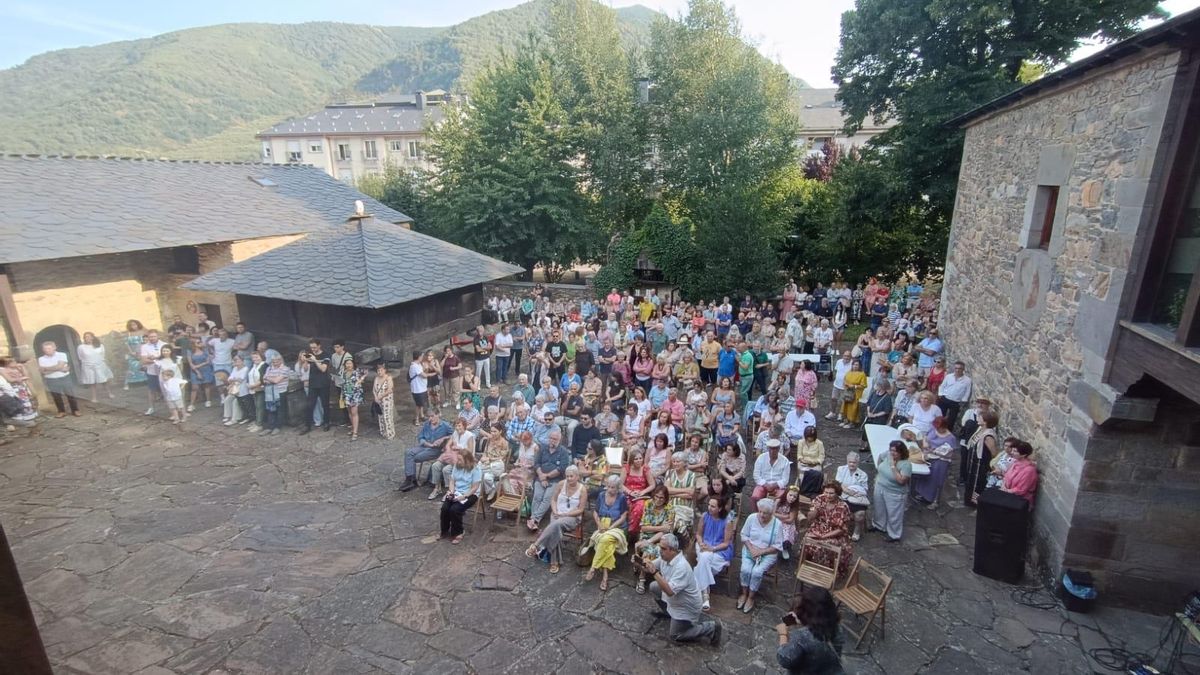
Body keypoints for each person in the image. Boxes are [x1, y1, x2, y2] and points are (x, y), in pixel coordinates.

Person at [635, 533, 723, 646]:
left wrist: (655, 572)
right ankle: (670, 613)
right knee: (654, 587)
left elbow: (670, 592)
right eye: (659, 547)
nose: (659, 550)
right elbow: (650, 567)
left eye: (663, 548)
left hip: (686, 607)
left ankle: (711, 628)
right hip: (677, 599)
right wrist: (639, 563)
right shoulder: (665, 558)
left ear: (672, 550)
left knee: (675, 635)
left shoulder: (682, 567)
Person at [526, 465, 588, 574]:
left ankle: (536, 545)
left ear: (577, 476)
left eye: (571, 476)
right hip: (556, 513)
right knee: (556, 529)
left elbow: (581, 509)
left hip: (572, 517)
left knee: (556, 525)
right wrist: (554, 511)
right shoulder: (561, 484)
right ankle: (554, 562)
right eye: (567, 476)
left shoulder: (582, 490)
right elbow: (553, 500)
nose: (569, 478)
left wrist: (565, 514)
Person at [775, 587, 846, 675]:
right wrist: (804, 621)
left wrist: (783, 634)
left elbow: (784, 659)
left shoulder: (802, 637)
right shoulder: (838, 627)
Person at [738, 498, 783, 614]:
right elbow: (744, 535)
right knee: (745, 570)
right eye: (760, 511)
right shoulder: (752, 518)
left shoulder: (777, 524)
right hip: (750, 549)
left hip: (767, 553)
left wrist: (761, 552)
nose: (762, 515)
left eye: (766, 513)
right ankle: (744, 593)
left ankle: (751, 597)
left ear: (771, 513)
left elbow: (777, 546)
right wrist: (752, 550)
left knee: (756, 572)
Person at [585, 474, 628, 591]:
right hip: (602, 525)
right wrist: (599, 525)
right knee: (606, 544)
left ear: (618, 487)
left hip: (617, 527)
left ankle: (593, 568)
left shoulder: (622, 497)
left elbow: (623, 517)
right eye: (608, 486)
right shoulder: (601, 495)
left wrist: (610, 527)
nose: (610, 489)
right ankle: (605, 576)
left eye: (613, 487)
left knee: (603, 540)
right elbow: (595, 512)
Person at [802, 482, 853, 577]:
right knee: (807, 539)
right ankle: (806, 565)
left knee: (822, 546)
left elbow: (841, 529)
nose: (828, 495)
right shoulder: (819, 499)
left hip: (835, 534)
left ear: (837, 493)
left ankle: (823, 572)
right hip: (819, 528)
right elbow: (810, 517)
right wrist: (813, 511)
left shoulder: (842, 506)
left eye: (831, 493)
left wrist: (823, 536)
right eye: (826, 492)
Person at [693, 496, 735, 610]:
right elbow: (698, 534)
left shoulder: (727, 522)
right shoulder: (705, 516)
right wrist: (701, 543)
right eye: (709, 505)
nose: (709, 508)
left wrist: (712, 549)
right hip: (704, 545)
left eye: (713, 506)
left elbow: (726, 543)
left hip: (720, 550)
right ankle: (705, 596)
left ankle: (701, 593)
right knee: (705, 558)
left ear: (720, 508)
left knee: (703, 559)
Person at [633, 485, 674, 594]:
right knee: (648, 549)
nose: (658, 500)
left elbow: (667, 531)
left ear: (665, 499)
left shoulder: (669, 509)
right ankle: (642, 577)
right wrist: (661, 527)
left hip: (660, 538)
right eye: (656, 496)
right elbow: (643, 527)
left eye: (661, 498)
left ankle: (642, 577)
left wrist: (650, 541)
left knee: (649, 549)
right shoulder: (648, 504)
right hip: (646, 534)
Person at [527, 429, 571, 530]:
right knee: (537, 496)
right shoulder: (543, 448)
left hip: (555, 480)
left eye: (555, 439)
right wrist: (542, 477)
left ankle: (534, 519)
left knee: (547, 498)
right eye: (551, 438)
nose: (552, 441)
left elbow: (561, 468)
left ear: (559, 440)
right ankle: (534, 520)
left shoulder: (563, 452)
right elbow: (536, 463)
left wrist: (546, 476)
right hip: (540, 478)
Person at [398, 412, 453, 491]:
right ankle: (410, 479)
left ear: (438, 415)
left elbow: (454, 435)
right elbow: (420, 437)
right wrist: (426, 443)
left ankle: (413, 480)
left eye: (432, 416)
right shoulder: (427, 424)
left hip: (436, 450)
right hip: (425, 446)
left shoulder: (445, 426)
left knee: (414, 458)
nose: (430, 419)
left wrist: (443, 438)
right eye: (429, 417)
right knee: (408, 452)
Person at [871, 440, 912, 542]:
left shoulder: (906, 465)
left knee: (894, 514)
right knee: (879, 508)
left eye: (895, 451)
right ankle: (879, 525)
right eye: (891, 450)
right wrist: (879, 473)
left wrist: (893, 466)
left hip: (894, 492)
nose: (892, 453)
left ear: (901, 452)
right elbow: (880, 458)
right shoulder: (887, 454)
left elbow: (901, 481)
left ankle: (894, 534)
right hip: (880, 486)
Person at [439, 449, 482, 544]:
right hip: (457, 491)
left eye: (460, 460)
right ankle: (444, 531)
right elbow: (452, 481)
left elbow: (475, 488)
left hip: (470, 494)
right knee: (445, 508)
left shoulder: (475, 469)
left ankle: (459, 532)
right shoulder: (457, 466)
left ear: (467, 460)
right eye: (457, 459)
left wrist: (464, 496)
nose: (457, 461)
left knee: (455, 510)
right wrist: (451, 491)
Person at [913, 416, 956, 508]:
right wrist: (925, 443)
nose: (937, 429)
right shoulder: (933, 429)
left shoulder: (950, 438)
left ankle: (934, 501)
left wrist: (933, 451)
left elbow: (947, 453)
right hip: (929, 457)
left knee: (936, 480)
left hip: (940, 461)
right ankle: (923, 494)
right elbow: (926, 437)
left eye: (939, 428)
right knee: (925, 476)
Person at [964, 410, 1000, 507]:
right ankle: (968, 501)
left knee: (978, 484)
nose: (978, 418)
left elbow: (994, 453)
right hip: (974, 463)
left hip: (981, 465)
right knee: (970, 482)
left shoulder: (988, 436)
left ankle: (975, 503)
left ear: (985, 421)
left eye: (980, 417)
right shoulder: (980, 430)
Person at [38, 341, 80, 418]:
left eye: (49, 348)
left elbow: (59, 366)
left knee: (70, 395)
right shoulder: (41, 359)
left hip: (64, 378)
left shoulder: (62, 355)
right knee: (56, 396)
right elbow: (44, 373)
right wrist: (59, 368)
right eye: (45, 349)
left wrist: (47, 368)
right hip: (51, 380)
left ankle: (75, 410)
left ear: (54, 348)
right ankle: (61, 411)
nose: (47, 350)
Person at [834, 452, 870, 541]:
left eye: (854, 462)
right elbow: (838, 484)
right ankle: (839, 530)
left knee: (860, 513)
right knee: (839, 508)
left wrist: (854, 491)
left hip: (856, 499)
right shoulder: (841, 469)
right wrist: (849, 491)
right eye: (850, 462)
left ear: (858, 463)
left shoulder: (863, 474)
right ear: (847, 461)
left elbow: (864, 490)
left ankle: (857, 531)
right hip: (842, 496)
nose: (852, 464)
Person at [299, 339, 332, 435]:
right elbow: (305, 369)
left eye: (314, 347)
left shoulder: (326, 355)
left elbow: (323, 369)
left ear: (319, 346)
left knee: (325, 404)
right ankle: (307, 425)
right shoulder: (310, 354)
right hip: (312, 384)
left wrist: (315, 360)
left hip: (323, 383)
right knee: (309, 405)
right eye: (311, 347)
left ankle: (326, 423)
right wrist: (304, 361)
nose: (312, 349)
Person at [621, 449, 654, 536]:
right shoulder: (626, 468)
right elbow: (620, 484)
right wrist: (629, 492)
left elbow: (652, 485)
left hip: (641, 495)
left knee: (639, 507)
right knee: (624, 504)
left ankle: (632, 531)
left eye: (640, 458)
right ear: (632, 460)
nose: (639, 460)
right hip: (627, 493)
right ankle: (622, 529)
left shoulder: (645, 469)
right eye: (636, 459)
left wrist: (643, 492)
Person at [75, 332, 114, 402]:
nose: (87, 338)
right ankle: (94, 398)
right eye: (86, 337)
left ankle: (109, 393)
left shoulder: (100, 345)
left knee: (104, 380)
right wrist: (87, 363)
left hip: (99, 365)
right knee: (92, 383)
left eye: (89, 336)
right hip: (88, 366)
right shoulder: (81, 347)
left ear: (92, 337)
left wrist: (100, 363)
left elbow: (102, 355)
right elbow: (80, 357)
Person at [936, 361, 972, 430]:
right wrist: (940, 394)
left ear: (963, 369)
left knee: (951, 420)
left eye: (960, 368)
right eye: (956, 368)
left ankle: (948, 432)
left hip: (956, 402)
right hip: (945, 399)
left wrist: (963, 401)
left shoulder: (967, 380)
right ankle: (937, 429)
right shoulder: (948, 376)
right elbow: (942, 386)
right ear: (954, 368)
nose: (957, 370)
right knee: (940, 415)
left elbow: (967, 392)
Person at [1001, 440, 1038, 504]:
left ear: (1023, 455)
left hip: (1019, 500)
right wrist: (1003, 486)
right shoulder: (1016, 462)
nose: (1012, 452)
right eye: (1012, 450)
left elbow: (1021, 490)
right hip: (1008, 494)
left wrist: (1006, 491)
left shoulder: (1029, 470)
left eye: (1015, 451)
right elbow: (1006, 476)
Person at [776, 486, 805, 560]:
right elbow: (772, 514)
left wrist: (782, 518)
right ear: (786, 494)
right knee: (777, 529)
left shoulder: (794, 507)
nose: (792, 498)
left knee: (788, 532)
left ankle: (785, 548)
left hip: (787, 524)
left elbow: (790, 520)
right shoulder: (778, 501)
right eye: (790, 495)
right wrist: (785, 516)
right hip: (776, 521)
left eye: (794, 497)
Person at [339, 358, 365, 440]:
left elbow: (362, 378)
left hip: (354, 395)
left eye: (350, 363)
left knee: (354, 413)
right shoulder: (344, 373)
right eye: (347, 364)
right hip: (346, 395)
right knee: (349, 412)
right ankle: (353, 428)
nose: (349, 365)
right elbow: (342, 385)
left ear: (353, 364)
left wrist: (360, 381)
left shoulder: (356, 372)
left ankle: (355, 432)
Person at [839, 360, 868, 429]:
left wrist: (854, 386)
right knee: (845, 406)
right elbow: (845, 380)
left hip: (855, 393)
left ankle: (852, 422)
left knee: (853, 408)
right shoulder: (849, 372)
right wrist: (846, 384)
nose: (855, 366)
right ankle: (845, 420)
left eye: (857, 365)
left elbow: (864, 385)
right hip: (847, 392)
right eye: (854, 364)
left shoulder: (862, 374)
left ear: (859, 366)